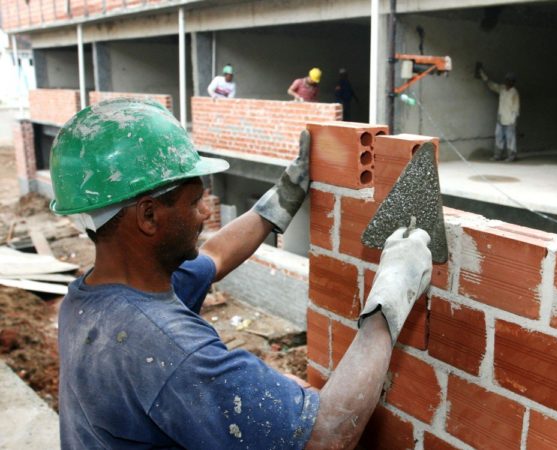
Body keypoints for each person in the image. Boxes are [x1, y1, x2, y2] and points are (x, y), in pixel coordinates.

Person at [50, 98, 433, 449]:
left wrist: (283, 196)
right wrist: (392, 292)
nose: (205, 213)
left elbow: (215, 256)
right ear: (148, 215)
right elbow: (324, 436)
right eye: (196, 201)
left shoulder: (91, 299)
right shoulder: (170, 349)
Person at [479, 69, 520, 161]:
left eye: (509, 80)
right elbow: (492, 85)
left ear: (513, 82)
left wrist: (513, 121)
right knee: (498, 136)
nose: (507, 82)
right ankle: (498, 155)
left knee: (510, 139)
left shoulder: (514, 92)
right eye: (506, 80)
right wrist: (484, 76)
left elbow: (516, 108)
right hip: (501, 118)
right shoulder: (502, 89)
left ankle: (511, 156)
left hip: (510, 119)